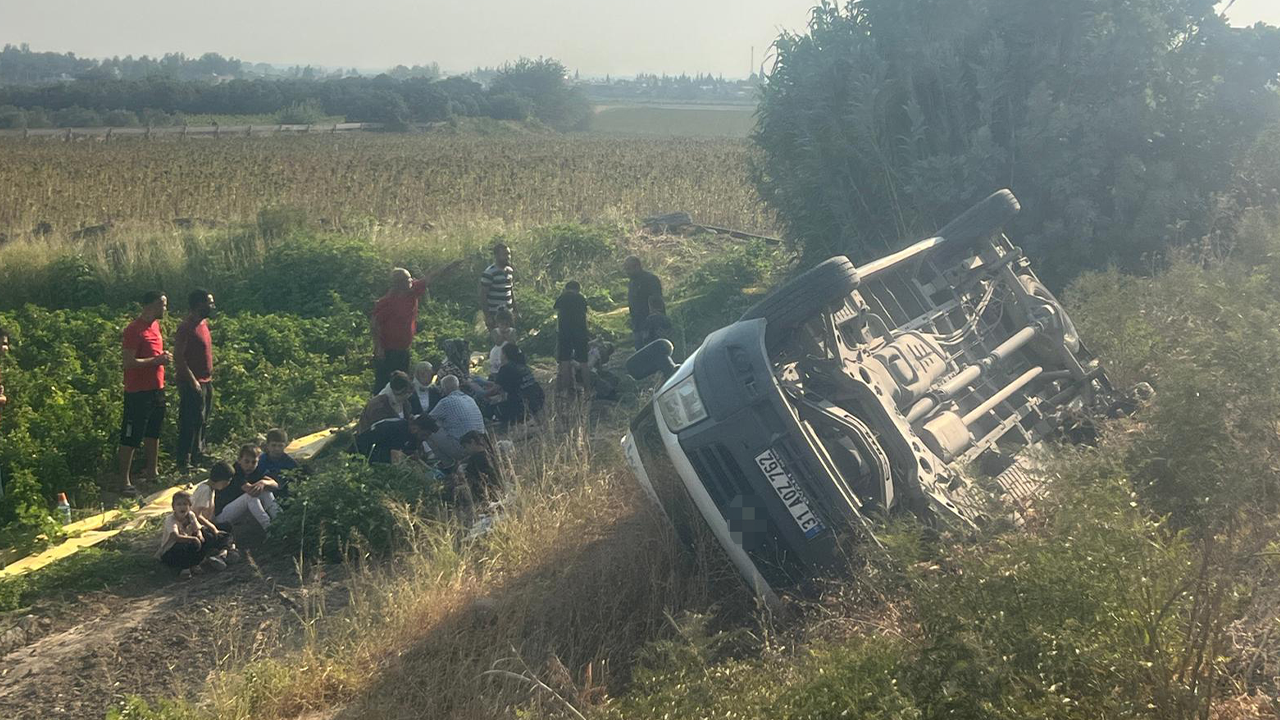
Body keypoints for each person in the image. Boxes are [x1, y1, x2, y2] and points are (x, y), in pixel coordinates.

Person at [117, 291, 171, 495]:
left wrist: (162, 358)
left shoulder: (155, 326)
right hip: (138, 391)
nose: (165, 308)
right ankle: (124, 482)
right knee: (131, 436)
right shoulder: (134, 330)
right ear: (151, 305)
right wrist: (156, 361)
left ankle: (152, 473)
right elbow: (128, 362)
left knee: (153, 431)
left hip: (156, 388)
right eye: (162, 305)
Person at [371, 264, 455, 394]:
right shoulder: (387, 301)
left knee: (402, 382)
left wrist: (449, 266)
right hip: (388, 350)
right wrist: (378, 347)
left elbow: (430, 278)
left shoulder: (412, 292)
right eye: (408, 279)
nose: (412, 281)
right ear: (399, 284)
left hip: (403, 348)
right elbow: (375, 324)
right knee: (384, 384)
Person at [174, 289, 216, 471]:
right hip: (192, 382)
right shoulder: (186, 327)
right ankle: (184, 461)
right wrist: (193, 381)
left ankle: (199, 454)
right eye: (210, 303)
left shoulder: (203, 323)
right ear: (199, 304)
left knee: (202, 419)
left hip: (206, 380)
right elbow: (178, 357)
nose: (212, 306)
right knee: (190, 421)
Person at [156, 490, 231, 579]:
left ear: (189, 506)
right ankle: (185, 568)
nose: (182, 507)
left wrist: (199, 535)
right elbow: (175, 537)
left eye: (185, 504)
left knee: (206, 537)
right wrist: (193, 539)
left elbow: (198, 528)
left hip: (188, 543)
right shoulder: (171, 519)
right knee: (183, 545)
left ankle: (196, 563)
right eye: (179, 504)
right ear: (173, 507)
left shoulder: (191, 515)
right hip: (172, 551)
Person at [213, 444, 280, 531]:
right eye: (247, 461)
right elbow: (250, 491)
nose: (250, 465)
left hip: (240, 510)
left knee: (266, 491)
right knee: (250, 496)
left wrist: (263, 482)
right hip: (222, 514)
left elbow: (275, 484)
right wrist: (262, 484)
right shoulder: (235, 472)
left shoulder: (255, 471)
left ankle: (280, 519)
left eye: (254, 462)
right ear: (239, 460)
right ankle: (268, 527)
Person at [428, 375, 486, 465]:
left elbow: (428, 419)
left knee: (428, 428)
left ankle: (447, 464)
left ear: (444, 388)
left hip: (462, 447)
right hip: (479, 444)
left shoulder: (445, 402)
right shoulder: (470, 399)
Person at [488, 343, 545, 427]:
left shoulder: (506, 368)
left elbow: (494, 391)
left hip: (520, 405)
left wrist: (476, 388)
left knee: (492, 409)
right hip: (537, 401)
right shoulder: (522, 366)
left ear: (504, 355)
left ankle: (507, 422)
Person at [554, 281, 590, 396]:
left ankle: (567, 390)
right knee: (584, 361)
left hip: (564, 332)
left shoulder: (562, 298)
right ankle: (588, 389)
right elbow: (585, 313)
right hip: (580, 332)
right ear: (578, 289)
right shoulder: (581, 298)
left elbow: (557, 310)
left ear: (566, 288)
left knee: (565, 360)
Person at [359, 413, 440, 464]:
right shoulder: (393, 428)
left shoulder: (413, 437)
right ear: (415, 428)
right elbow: (365, 444)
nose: (425, 439)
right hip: (364, 453)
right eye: (424, 435)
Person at [358, 371, 414, 437]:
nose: (408, 396)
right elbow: (377, 432)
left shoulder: (406, 404)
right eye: (406, 393)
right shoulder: (377, 406)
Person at [625, 255, 664, 349]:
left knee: (654, 350)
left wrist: (654, 322)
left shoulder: (650, 279)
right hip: (637, 324)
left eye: (629, 269)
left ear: (637, 266)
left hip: (651, 324)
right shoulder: (632, 282)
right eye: (626, 269)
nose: (627, 272)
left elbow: (656, 301)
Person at [479, 242, 517, 329]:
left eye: (508, 254)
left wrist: (515, 310)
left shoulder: (509, 271)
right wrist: (488, 316)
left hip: (508, 314)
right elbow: (483, 295)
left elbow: (510, 291)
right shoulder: (489, 273)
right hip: (495, 315)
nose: (507, 257)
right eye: (504, 254)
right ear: (496, 256)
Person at [488, 309, 516, 376]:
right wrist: (503, 333)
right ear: (498, 323)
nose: (504, 326)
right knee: (497, 371)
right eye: (502, 324)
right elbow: (498, 342)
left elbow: (513, 342)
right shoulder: (495, 331)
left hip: (509, 352)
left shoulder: (513, 331)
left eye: (506, 324)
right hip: (497, 352)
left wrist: (507, 334)